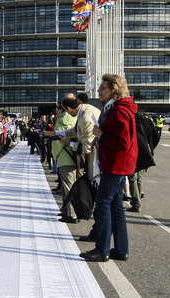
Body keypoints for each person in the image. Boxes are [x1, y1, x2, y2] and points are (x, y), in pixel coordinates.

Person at [80, 74, 138, 262]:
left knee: (103, 205)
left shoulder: (119, 110)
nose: (98, 91)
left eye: (102, 88)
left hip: (115, 165)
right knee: (115, 206)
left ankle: (102, 250)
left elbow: (122, 142)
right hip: (118, 165)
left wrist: (100, 135)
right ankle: (121, 249)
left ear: (114, 89)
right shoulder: (118, 108)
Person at [51, 101, 78, 223]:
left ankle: (71, 213)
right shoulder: (75, 119)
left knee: (67, 187)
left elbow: (57, 142)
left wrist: (55, 155)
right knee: (73, 185)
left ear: (62, 110)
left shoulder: (61, 122)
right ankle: (69, 211)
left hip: (64, 157)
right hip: (76, 156)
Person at [127, 113, 159, 213]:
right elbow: (156, 136)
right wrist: (151, 149)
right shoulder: (148, 121)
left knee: (132, 178)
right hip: (146, 152)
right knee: (139, 176)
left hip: (133, 152)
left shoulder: (131, 121)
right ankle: (139, 196)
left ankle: (136, 204)